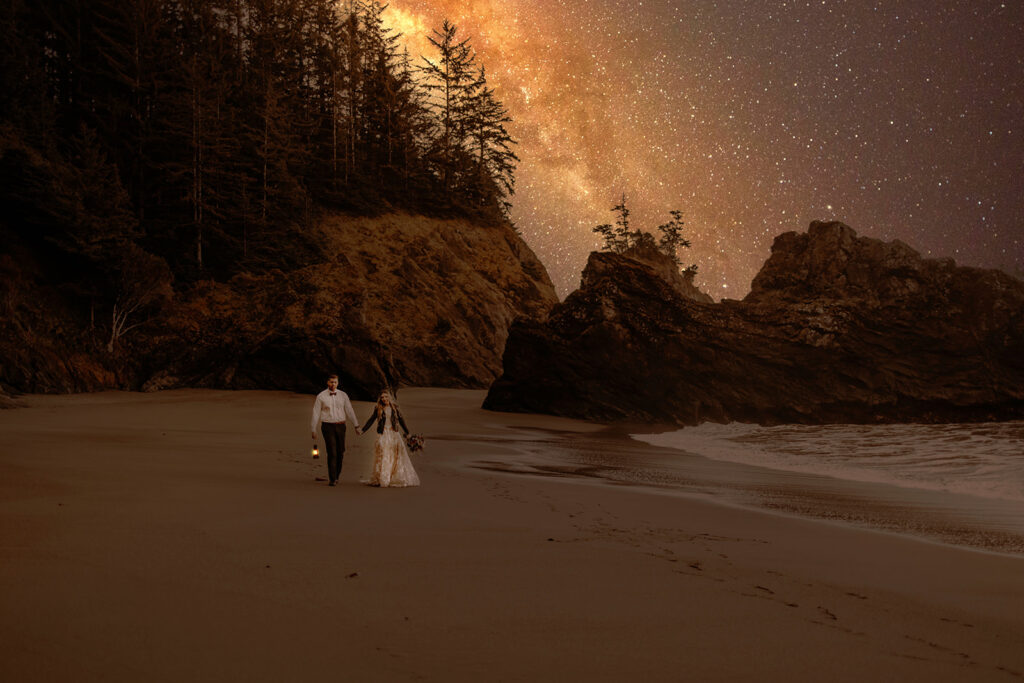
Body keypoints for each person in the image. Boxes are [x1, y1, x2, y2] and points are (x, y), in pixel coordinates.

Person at [360, 389, 419, 488]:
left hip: (394, 434)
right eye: (382, 397)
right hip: (383, 434)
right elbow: (371, 420)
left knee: (396, 456)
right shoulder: (378, 408)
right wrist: (363, 430)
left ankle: (393, 477)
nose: (384, 399)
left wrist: (407, 432)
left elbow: (401, 420)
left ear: (390, 397)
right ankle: (383, 478)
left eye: (386, 397)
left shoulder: (395, 408)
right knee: (384, 454)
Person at [311, 375, 360, 486]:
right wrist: (313, 428)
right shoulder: (321, 396)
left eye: (335, 382)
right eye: (331, 382)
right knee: (332, 452)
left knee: (340, 452)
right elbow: (316, 412)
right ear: (327, 382)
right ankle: (332, 479)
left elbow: (349, 410)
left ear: (338, 383)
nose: (333, 384)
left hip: (341, 426)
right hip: (327, 426)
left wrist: (356, 425)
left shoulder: (343, 395)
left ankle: (337, 475)